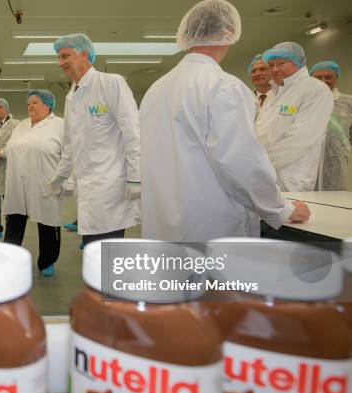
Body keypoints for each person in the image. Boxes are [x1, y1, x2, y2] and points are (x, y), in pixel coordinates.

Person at [138, 0, 310, 241]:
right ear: (230, 32)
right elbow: (241, 162)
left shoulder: (157, 88)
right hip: (212, 226)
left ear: (188, 34)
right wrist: (282, 209)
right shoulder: (224, 86)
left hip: (163, 224)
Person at [51, 33, 141, 246]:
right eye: (59, 58)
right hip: (87, 188)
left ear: (84, 55)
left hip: (111, 184)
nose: (60, 63)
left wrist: (136, 177)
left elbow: (133, 133)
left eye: (65, 56)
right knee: (92, 247)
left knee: (108, 251)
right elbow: (70, 142)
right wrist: (60, 175)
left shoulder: (111, 84)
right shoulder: (71, 95)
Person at [3, 90, 65, 277]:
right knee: (13, 222)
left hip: (46, 182)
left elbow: (71, 155)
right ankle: (9, 259)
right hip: (17, 182)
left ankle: (47, 260)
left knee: (47, 223)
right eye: (29, 103)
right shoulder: (21, 125)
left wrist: (65, 181)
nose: (30, 106)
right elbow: (11, 148)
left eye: (35, 102)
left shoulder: (60, 125)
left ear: (48, 105)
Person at [256, 42, 333, 192]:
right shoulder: (274, 93)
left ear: (297, 62)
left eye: (281, 64)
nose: (275, 69)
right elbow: (262, 131)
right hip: (265, 173)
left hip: (292, 177)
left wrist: (262, 161)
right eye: (271, 65)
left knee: (292, 214)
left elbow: (302, 138)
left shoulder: (315, 89)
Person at [311, 60, 352, 190]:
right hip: (309, 159)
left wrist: (342, 147)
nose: (323, 81)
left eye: (328, 77)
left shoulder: (348, 102)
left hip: (337, 160)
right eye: (318, 77)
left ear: (336, 78)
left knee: (335, 197)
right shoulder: (305, 102)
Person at [0, 97, 19, 240]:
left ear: (7, 109)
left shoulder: (15, 125)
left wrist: (0, 153)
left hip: (7, 168)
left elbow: (16, 145)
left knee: (9, 201)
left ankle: (10, 227)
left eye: (0, 107)